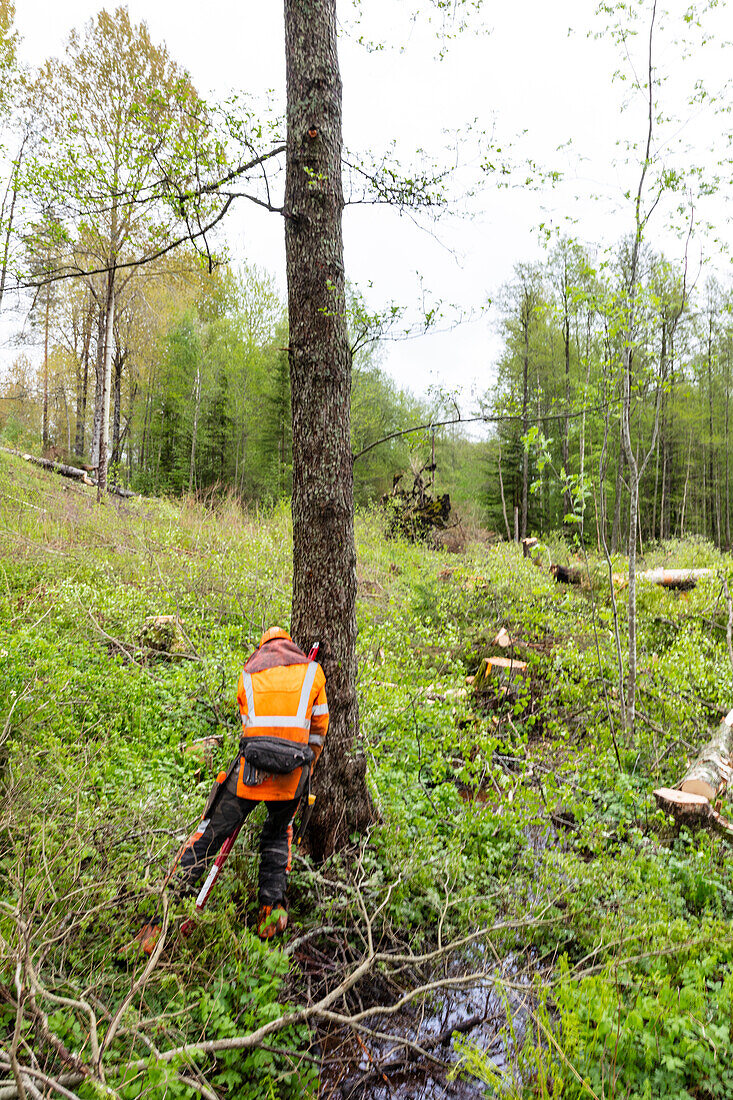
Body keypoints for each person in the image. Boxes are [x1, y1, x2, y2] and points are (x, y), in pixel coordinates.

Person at [141, 627, 328, 948]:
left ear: (264, 648)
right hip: (292, 775)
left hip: (249, 774)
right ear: (290, 646)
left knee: (209, 834)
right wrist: (303, 763)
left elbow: (248, 724)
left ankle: (159, 918)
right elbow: (319, 728)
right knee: (277, 832)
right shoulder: (313, 672)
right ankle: (271, 914)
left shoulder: (248, 672)